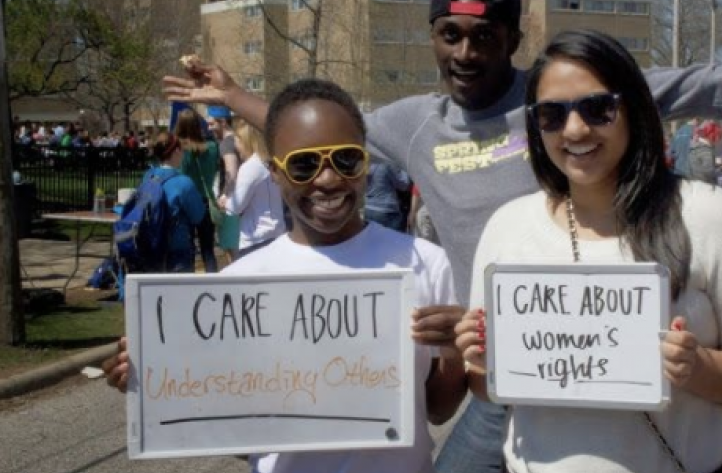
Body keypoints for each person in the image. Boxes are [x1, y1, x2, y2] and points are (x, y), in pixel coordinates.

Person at [160, 1, 722, 470]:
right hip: (503, 373)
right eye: (449, 33)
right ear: (434, 37)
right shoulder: (411, 124)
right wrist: (234, 97)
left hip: (614, 371)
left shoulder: (577, 91)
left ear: (512, 37)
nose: (466, 51)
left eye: (485, 34)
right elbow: (321, 138)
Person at [455, 30, 722, 473]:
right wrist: (481, 364)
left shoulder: (709, 215)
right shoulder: (507, 226)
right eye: (551, 114)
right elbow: (488, 388)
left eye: (598, 108)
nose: (575, 129)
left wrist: (698, 367)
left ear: (632, 109)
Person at [103, 78, 467, 473]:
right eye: (303, 165)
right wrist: (153, 387)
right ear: (275, 173)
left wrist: (452, 349)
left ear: (366, 164)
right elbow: (242, 438)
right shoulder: (238, 286)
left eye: (346, 160)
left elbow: (439, 409)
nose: (327, 179)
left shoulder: (425, 264)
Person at [134, 132, 207, 273]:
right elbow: (198, 216)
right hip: (177, 249)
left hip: (151, 246)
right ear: (177, 151)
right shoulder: (184, 183)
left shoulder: (148, 176)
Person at [223, 120, 286, 258]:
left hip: (256, 239)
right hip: (277, 234)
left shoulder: (251, 167)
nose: (236, 146)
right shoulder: (270, 162)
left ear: (246, 141)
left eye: (237, 141)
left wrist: (225, 202)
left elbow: (235, 207)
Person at [175, 108, 220, 273]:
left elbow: (180, 177)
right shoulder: (213, 147)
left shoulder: (182, 151)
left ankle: (189, 282)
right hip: (207, 200)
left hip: (187, 202)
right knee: (208, 250)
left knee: (188, 249)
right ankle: (213, 281)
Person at [209, 105, 241, 262]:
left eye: (211, 124)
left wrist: (224, 196)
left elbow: (231, 173)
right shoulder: (238, 139)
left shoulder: (227, 143)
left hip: (231, 203)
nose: (209, 128)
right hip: (239, 201)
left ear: (222, 122)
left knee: (231, 249)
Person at [365, 161, 412, 232]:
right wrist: (405, 169)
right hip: (387, 211)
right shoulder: (385, 167)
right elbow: (404, 185)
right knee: (394, 238)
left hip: (368, 209)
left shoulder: (363, 169)